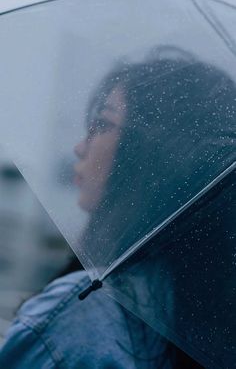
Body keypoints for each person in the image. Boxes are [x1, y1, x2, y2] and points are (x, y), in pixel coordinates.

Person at [0, 51, 235, 369]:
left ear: (157, 152)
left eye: (103, 124)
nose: (80, 147)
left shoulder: (84, 311)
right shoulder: (212, 326)